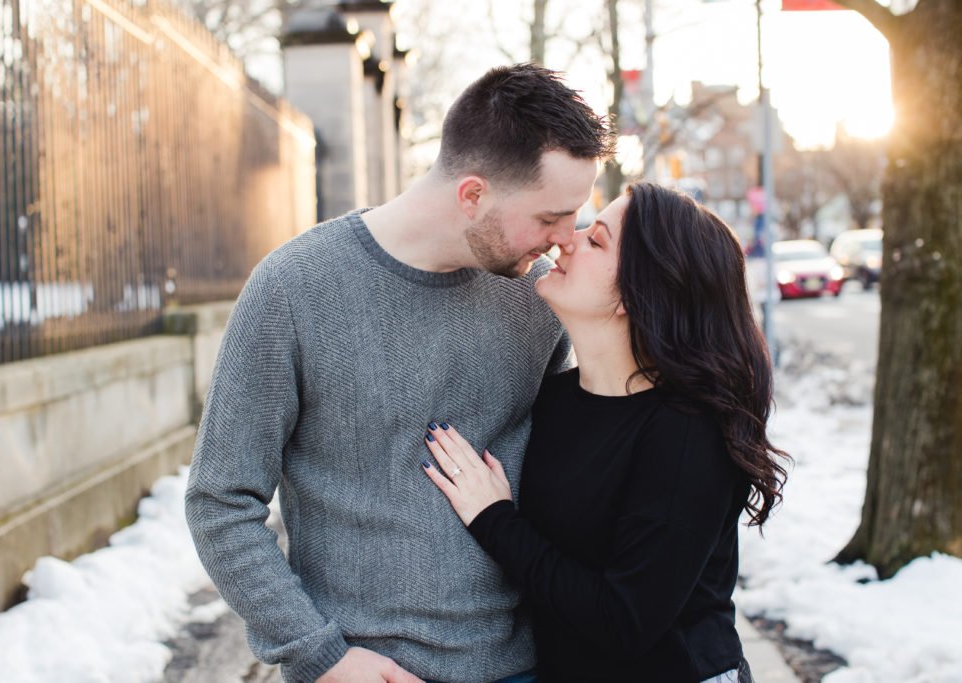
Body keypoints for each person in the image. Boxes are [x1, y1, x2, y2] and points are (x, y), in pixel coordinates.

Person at [184, 63, 615, 683]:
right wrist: (318, 655)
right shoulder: (294, 289)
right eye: (550, 218)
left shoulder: (541, 300)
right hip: (357, 669)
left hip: (519, 666)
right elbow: (221, 500)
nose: (562, 239)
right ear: (473, 195)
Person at [423, 182, 790, 682]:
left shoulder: (686, 435)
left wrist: (494, 520)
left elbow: (624, 621)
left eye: (596, 240)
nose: (564, 241)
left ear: (638, 296)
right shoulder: (554, 398)